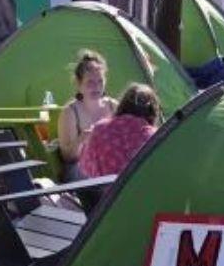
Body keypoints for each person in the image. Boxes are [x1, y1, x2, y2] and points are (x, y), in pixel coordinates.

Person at [58, 50, 118, 180]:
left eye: (100, 81)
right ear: (79, 85)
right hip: (79, 170)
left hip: (110, 165)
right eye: (90, 82)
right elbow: (67, 157)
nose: (96, 87)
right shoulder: (70, 112)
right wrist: (82, 139)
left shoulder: (114, 106)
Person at [78, 83, 160, 179]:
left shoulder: (99, 128)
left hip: (104, 192)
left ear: (122, 105)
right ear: (152, 111)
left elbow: (84, 168)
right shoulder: (155, 138)